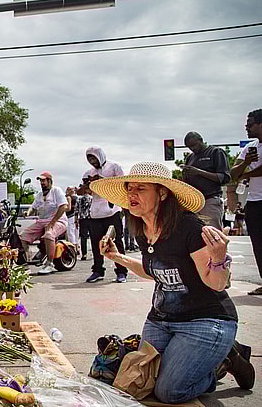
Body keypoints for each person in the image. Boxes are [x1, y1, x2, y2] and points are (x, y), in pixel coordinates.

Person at [91, 162, 254, 402]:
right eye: (130, 188)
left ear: (162, 192)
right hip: (160, 320)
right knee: (143, 381)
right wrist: (116, 257)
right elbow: (152, 272)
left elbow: (216, 284)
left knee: (169, 391)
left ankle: (223, 361)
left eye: (141, 188)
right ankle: (204, 360)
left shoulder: (188, 227)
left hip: (206, 320)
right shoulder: (142, 228)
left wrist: (219, 259)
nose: (132, 194)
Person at [82, 146, 128, 283]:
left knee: (116, 242)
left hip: (112, 211)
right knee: (96, 244)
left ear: (100, 156)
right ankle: (97, 271)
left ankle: (121, 271)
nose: (92, 161)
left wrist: (102, 180)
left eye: (94, 158)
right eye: (89, 159)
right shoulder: (88, 172)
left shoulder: (114, 167)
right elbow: (85, 192)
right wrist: (86, 186)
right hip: (95, 213)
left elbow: (122, 185)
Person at [232, 108, 262, 295]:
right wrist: (245, 163)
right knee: (258, 244)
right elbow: (233, 173)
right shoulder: (249, 147)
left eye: (250, 125)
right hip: (254, 201)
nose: (246, 128)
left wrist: (246, 173)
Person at [20, 172, 68, 275]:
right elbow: (33, 207)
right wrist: (27, 212)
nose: (42, 183)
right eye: (40, 181)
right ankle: (26, 263)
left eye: (44, 181)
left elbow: (63, 207)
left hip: (58, 221)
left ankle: (49, 264)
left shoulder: (56, 191)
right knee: (23, 236)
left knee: (49, 235)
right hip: (42, 222)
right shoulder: (39, 195)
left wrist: (52, 222)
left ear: (49, 181)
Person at [183, 132, 231, 229]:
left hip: (210, 200)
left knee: (213, 235)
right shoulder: (190, 158)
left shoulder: (216, 152)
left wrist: (199, 172)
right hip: (194, 202)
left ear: (201, 140)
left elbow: (224, 177)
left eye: (194, 145)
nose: (192, 149)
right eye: (189, 147)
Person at [76, 188, 92, 260]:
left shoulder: (79, 199)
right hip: (91, 219)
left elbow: (76, 211)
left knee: (83, 237)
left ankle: (84, 254)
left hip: (82, 219)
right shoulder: (92, 199)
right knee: (93, 237)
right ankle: (95, 253)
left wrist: (76, 221)